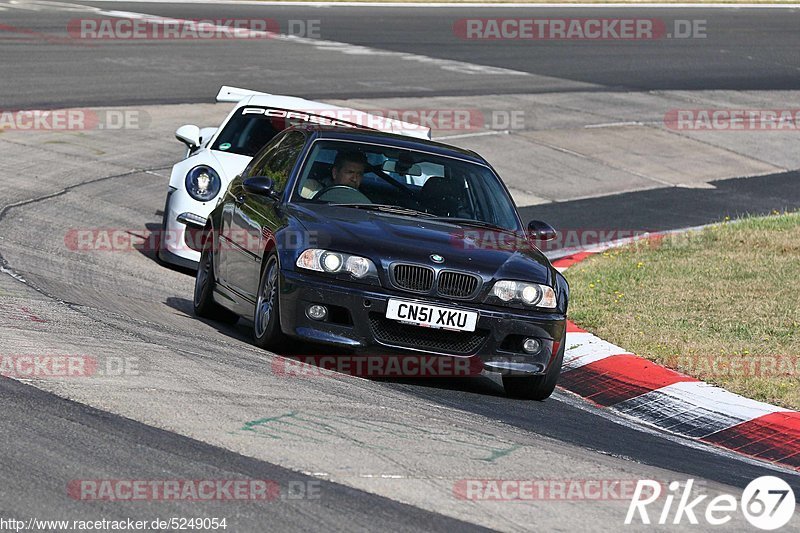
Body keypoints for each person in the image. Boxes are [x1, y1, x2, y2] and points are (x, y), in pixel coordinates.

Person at [300, 150, 368, 199]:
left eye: (359, 174)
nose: (355, 179)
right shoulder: (311, 189)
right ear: (335, 173)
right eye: (350, 172)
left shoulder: (362, 201)